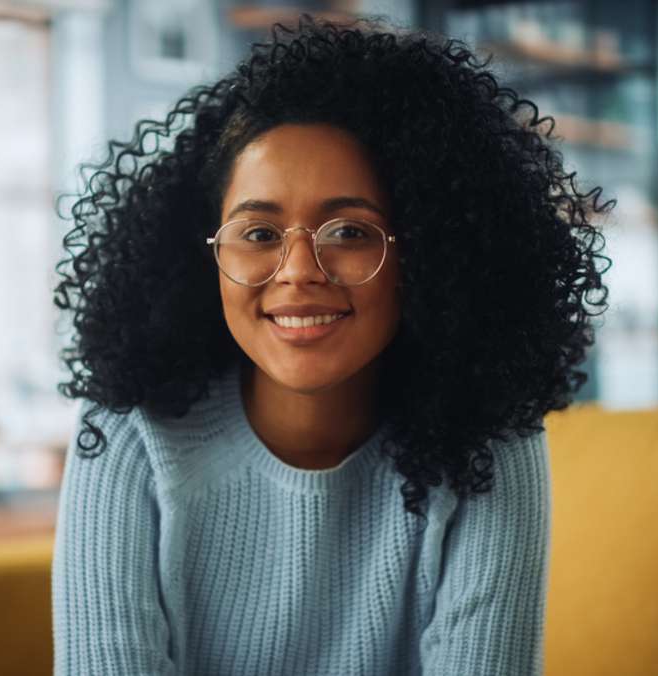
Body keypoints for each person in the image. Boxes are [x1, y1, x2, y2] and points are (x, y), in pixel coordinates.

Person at [51, 13, 610, 676]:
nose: (297, 271)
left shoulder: (488, 442)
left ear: (429, 256)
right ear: (204, 256)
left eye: (349, 232)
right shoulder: (128, 432)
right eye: (258, 235)